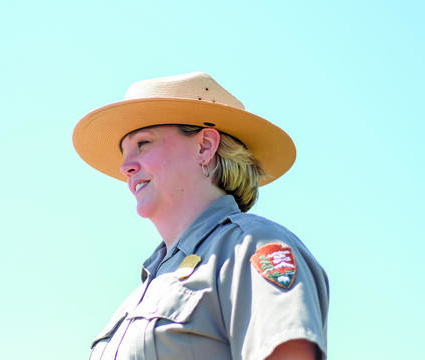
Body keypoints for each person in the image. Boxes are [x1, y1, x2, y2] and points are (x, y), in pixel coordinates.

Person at [72, 72, 329, 360]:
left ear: (205, 146)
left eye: (143, 143)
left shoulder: (251, 247)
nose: (125, 167)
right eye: (124, 152)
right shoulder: (144, 291)